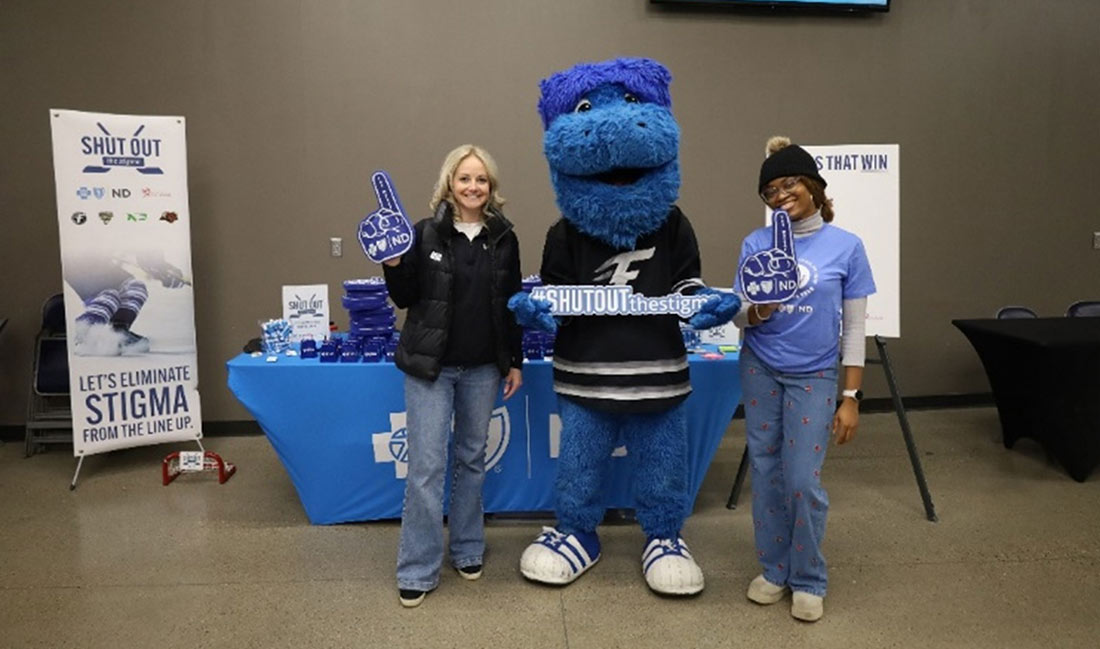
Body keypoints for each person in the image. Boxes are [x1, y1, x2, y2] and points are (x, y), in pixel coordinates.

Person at [732, 136, 876, 622]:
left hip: (814, 375)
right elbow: (739, 316)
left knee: (802, 480)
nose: (780, 194)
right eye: (770, 189)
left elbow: (854, 326)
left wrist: (851, 394)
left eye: (789, 182)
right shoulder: (757, 243)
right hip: (760, 367)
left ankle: (809, 577)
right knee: (768, 473)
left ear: (814, 185)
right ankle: (775, 571)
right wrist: (760, 308)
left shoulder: (847, 246)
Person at [380, 144, 524, 608]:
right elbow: (404, 298)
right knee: (425, 467)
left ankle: (466, 549)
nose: (473, 187)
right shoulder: (423, 234)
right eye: (465, 178)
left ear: (491, 187)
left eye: (481, 180)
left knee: (471, 460)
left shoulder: (505, 237)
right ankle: (417, 568)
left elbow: (512, 305)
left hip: (483, 368)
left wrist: (514, 360)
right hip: (431, 369)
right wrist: (393, 262)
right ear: (449, 184)